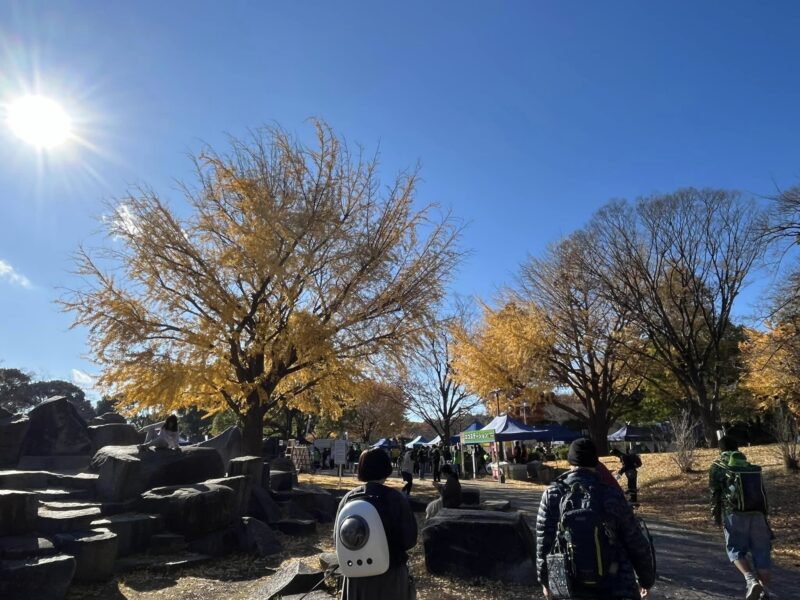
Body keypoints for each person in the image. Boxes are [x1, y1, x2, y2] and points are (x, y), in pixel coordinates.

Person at [536, 438, 655, 600]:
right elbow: (635, 541)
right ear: (595, 462)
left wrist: (545, 582)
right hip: (616, 585)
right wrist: (646, 580)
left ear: (570, 461)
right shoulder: (611, 494)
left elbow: (544, 544)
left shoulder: (552, 495)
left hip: (569, 587)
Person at [336, 449, 418, 600]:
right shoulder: (397, 499)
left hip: (355, 576)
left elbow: (338, 538)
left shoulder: (348, 499)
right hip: (391, 576)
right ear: (386, 468)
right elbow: (409, 540)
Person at [709, 435, 773, 600]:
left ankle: (750, 580)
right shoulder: (749, 467)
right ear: (737, 448)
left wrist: (716, 516)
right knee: (762, 553)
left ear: (720, 449)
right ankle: (764, 591)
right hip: (758, 513)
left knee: (735, 549)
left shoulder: (718, 466)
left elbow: (714, 493)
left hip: (734, 513)